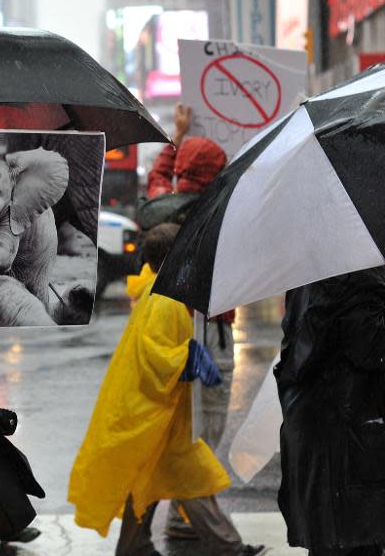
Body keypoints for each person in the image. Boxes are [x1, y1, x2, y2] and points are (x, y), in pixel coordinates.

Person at [68, 223, 264, 556]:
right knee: (191, 477)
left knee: (154, 480)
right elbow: (155, 353)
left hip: (153, 410)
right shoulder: (167, 299)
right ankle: (228, 547)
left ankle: (136, 547)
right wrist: (187, 358)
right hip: (156, 414)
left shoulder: (158, 291)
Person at [145, 104, 234, 539]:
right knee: (207, 424)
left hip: (170, 338)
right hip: (210, 334)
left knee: (178, 425)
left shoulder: (162, 204)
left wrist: (176, 137)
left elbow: (160, 174)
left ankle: (185, 507)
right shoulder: (223, 215)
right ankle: (191, 512)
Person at [276, 268, 385, 556]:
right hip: (347, 445)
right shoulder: (359, 276)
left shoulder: (308, 275)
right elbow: (372, 348)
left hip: (316, 433)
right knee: (352, 544)